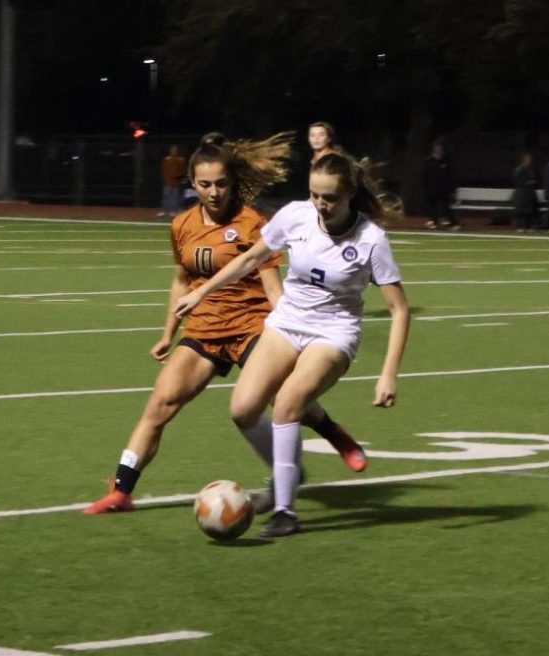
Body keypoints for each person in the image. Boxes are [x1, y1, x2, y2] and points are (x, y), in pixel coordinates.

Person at [84, 133, 368, 516]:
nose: (214, 192)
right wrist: (168, 333)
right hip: (203, 329)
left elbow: (272, 285)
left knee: (280, 393)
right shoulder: (182, 224)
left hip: (251, 324)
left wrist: (293, 333)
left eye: (221, 184)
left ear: (232, 183)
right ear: (193, 183)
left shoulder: (251, 223)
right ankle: (121, 490)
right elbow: (181, 282)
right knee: (160, 403)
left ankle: (335, 435)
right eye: (204, 184)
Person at [173, 151, 410, 538]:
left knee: (287, 404)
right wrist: (202, 293)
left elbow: (399, 311)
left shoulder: (371, 240)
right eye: (315, 195)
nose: (321, 204)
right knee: (243, 410)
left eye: (330, 197)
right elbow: (252, 258)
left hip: (333, 333)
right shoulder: (296, 215)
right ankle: (294, 470)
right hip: (287, 322)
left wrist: (388, 374)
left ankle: (286, 511)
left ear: (349, 193)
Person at [423, 141, 458, 230]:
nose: (438, 151)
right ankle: (433, 224)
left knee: (447, 207)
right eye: (436, 149)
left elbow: (451, 176)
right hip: (432, 188)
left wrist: (452, 189)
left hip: (444, 189)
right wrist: (425, 188)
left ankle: (452, 224)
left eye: (440, 150)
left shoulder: (446, 161)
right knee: (432, 208)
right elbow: (424, 176)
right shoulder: (429, 161)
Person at [512, 152, 539, 232]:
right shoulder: (519, 169)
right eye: (528, 159)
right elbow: (516, 181)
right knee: (521, 210)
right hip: (521, 192)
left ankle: (529, 226)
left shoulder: (531, 169)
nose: (529, 161)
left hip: (529, 192)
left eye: (530, 160)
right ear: (524, 160)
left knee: (530, 210)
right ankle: (520, 226)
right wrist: (527, 183)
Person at [158, 144, 185, 218]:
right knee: (166, 197)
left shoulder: (180, 160)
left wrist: (179, 180)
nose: (174, 151)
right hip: (168, 182)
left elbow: (182, 171)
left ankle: (173, 210)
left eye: (175, 150)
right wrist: (165, 180)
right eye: (173, 150)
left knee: (175, 197)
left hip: (176, 182)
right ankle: (164, 210)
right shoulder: (167, 160)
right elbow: (163, 171)